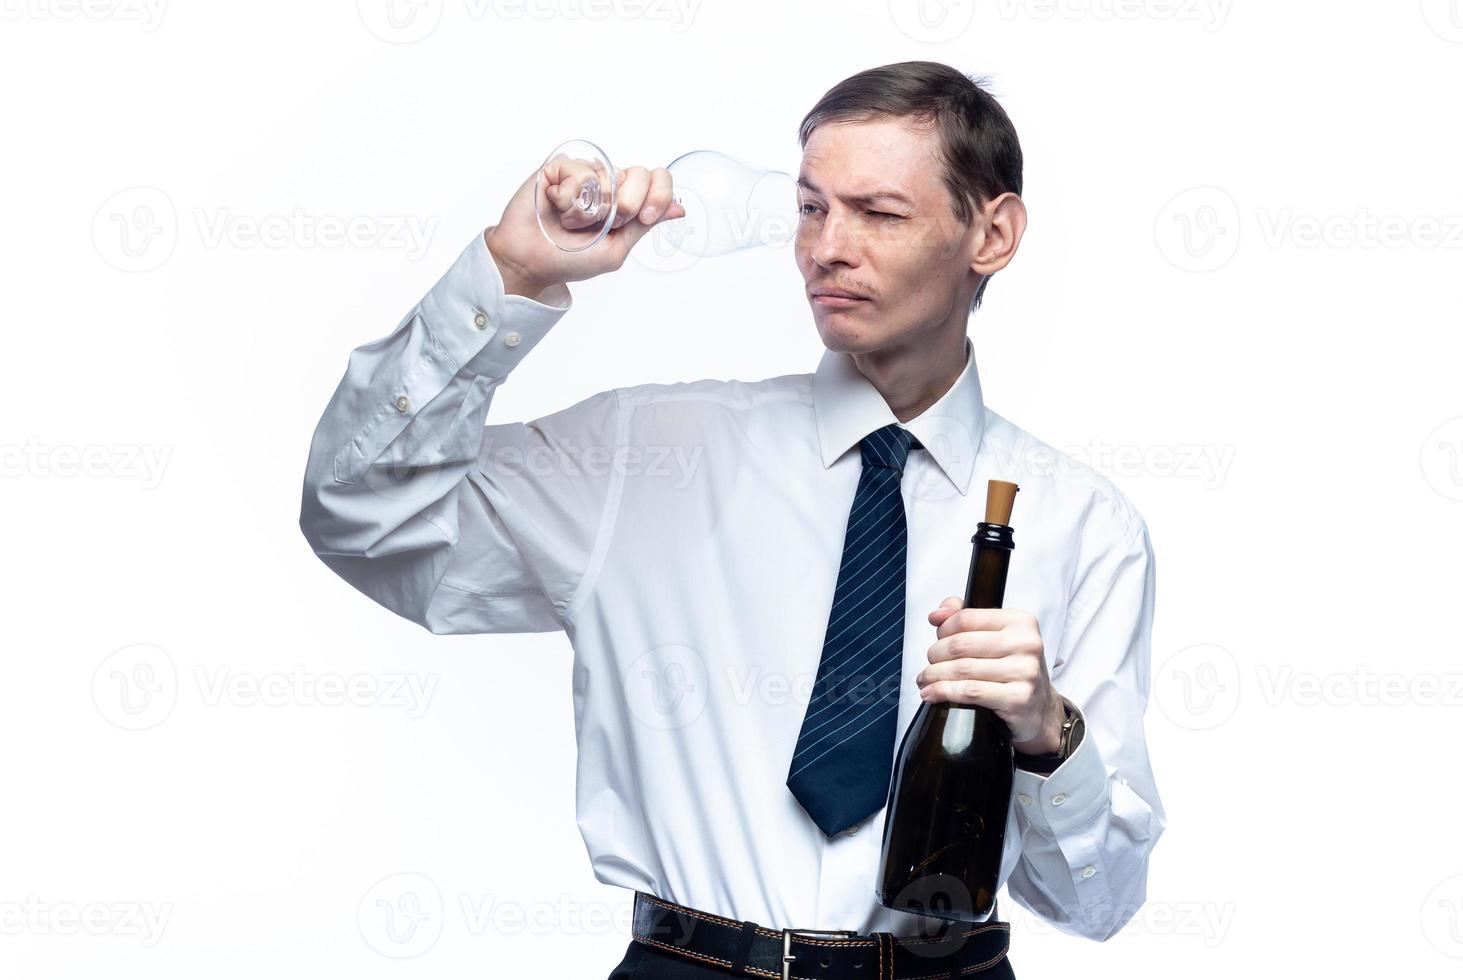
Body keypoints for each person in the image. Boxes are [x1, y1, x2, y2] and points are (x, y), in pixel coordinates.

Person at [299, 60, 1165, 980]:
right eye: (808, 208)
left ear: (991, 233)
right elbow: (362, 514)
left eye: (876, 213)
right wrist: (508, 276)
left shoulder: (1086, 527)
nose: (826, 248)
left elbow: (1096, 903)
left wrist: (1047, 733)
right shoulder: (644, 455)